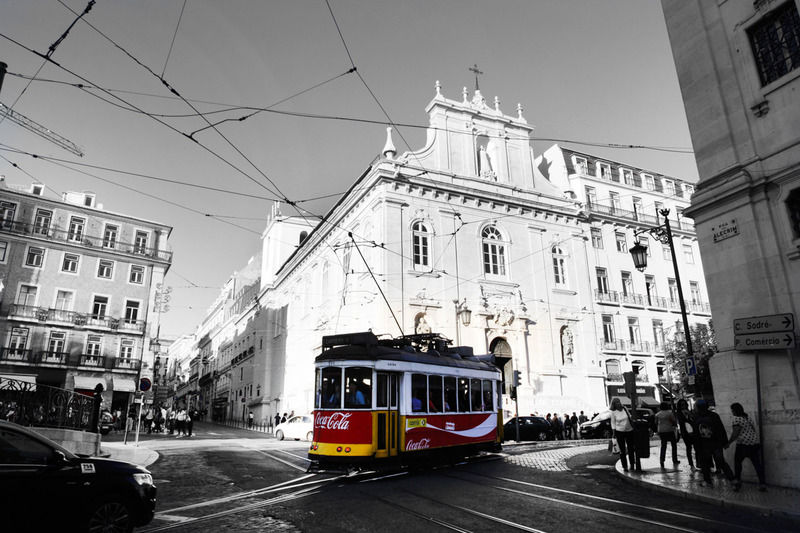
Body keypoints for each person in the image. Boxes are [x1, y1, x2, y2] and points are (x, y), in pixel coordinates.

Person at [727, 402, 766, 492]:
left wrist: (728, 443)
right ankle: (762, 483)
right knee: (757, 464)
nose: (732, 412)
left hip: (743, 445)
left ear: (735, 411)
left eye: (732, 410)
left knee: (737, 463)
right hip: (754, 443)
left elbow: (735, 433)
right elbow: (752, 429)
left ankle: (737, 483)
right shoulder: (748, 418)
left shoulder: (736, 419)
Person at [695, 399, 733, 487]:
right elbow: (721, 429)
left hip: (704, 445)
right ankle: (733, 480)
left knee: (705, 464)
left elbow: (696, 433)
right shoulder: (714, 415)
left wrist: (696, 446)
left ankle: (708, 481)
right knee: (721, 462)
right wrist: (725, 442)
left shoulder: (696, 417)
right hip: (716, 444)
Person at [598, 397, 640, 472]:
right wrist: (614, 433)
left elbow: (629, 416)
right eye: (616, 402)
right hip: (619, 431)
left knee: (631, 448)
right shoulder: (613, 412)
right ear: (613, 404)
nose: (618, 403)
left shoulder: (625, 408)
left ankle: (632, 464)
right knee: (622, 450)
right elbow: (613, 423)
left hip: (629, 430)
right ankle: (625, 466)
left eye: (619, 402)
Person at [675, 399, 698, 470]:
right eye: (682, 405)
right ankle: (691, 465)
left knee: (697, 448)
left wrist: (689, 414)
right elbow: (681, 422)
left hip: (693, 432)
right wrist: (686, 416)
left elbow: (694, 420)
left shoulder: (689, 411)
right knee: (689, 448)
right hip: (685, 433)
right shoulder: (678, 413)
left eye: (684, 404)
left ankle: (699, 463)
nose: (683, 406)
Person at [655, 402, 679, 468]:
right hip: (669, 430)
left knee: (663, 445)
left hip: (661, 431)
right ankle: (674, 459)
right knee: (674, 445)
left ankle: (662, 460)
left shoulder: (657, 414)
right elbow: (674, 421)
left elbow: (656, 423)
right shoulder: (670, 413)